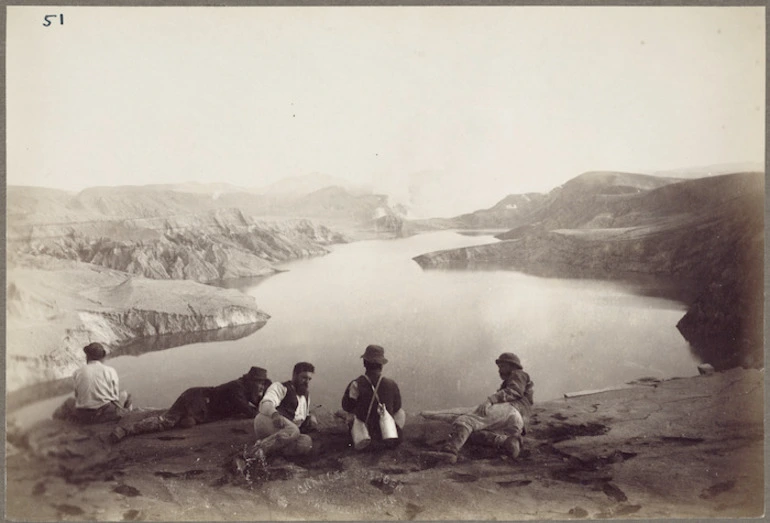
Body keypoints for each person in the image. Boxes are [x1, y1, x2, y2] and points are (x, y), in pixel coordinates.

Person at [110, 366, 271, 442]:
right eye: (259, 384)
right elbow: (251, 412)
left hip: (202, 408)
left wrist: (261, 396)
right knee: (166, 422)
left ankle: (187, 418)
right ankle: (125, 430)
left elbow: (254, 405)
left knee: (187, 423)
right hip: (195, 399)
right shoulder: (237, 388)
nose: (261, 387)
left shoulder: (244, 388)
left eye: (262, 385)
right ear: (251, 381)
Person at [427, 352, 534, 464]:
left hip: (510, 409)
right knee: (475, 432)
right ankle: (507, 442)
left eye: (502, 366)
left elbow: (514, 392)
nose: (499, 370)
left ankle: (449, 453)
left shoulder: (518, 373)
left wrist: (490, 400)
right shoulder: (512, 380)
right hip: (517, 423)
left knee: (465, 421)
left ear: (512, 365)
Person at [341, 345, 406, 449]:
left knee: (351, 414)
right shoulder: (391, 384)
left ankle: (362, 438)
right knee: (401, 412)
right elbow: (397, 406)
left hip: (365, 437)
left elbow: (347, 406)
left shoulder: (356, 384)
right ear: (381, 365)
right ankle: (391, 435)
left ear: (364, 363)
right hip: (386, 434)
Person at [249, 362, 317, 459]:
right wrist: (275, 414)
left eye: (309, 379)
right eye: (304, 378)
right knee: (293, 430)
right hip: (267, 422)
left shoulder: (305, 396)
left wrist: (310, 417)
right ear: (295, 375)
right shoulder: (280, 387)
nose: (307, 382)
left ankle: (271, 453)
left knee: (306, 442)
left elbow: (301, 416)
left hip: (286, 432)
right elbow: (266, 403)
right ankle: (255, 452)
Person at [71, 342, 133, 424]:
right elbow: (114, 396)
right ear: (102, 357)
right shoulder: (110, 371)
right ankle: (128, 419)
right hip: (103, 414)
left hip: (83, 415)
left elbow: (77, 395)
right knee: (125, 394)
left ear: (87, 356)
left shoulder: (77, 372)